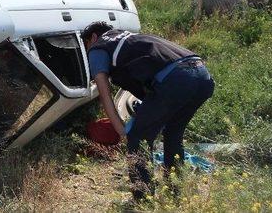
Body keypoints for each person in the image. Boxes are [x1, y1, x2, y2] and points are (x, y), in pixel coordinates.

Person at [81, 21, 214, 202]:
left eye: (86, 45)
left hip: (176, 79)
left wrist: (121, 129)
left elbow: (104, 94)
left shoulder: (98, 46)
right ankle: (175, 191)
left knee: (137, 139)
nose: (88, 52)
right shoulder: (130, 38)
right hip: (201, 76)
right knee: (173, 133)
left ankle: (143, 200)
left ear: (93, 38)